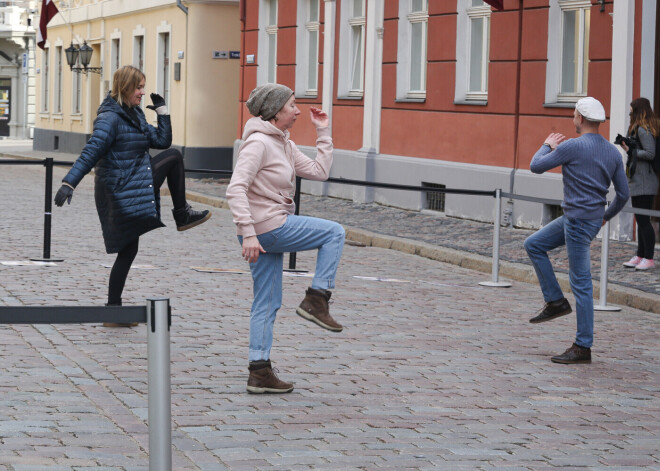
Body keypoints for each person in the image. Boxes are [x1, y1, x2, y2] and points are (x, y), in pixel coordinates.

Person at [54, 65, 211, 326]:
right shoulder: (110, 118)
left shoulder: (134, 114)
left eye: (143, 87)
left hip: (131, 183)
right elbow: (91, 151)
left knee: (129, 250)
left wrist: (163, 112)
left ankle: (113, 312)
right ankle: (181, 214)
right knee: (174, 157)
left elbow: (161, 141)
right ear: (125, 88)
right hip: (121, 188)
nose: (142, 92)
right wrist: (69, 182)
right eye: (138, 88)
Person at [227, 83, 345, 394]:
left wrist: (323, 132)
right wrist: (248, 234)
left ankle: (259, 370)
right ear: (277, 111)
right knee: (334, 232)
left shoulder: (283, 143)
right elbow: (235, 189)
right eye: (292, 105)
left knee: (266, 301)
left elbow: (319, 171)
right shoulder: (258, 144)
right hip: (267, 229)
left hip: (265, 230)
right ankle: (317, 299)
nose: (297, 111)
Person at [523, 97, 629, 364]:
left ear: (580, 118)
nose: (573, 119)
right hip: (586, 219)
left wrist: (547, 145)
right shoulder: (613, 153)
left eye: (574, 115)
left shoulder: (572, 146)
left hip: (577, 221)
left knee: (581, 282)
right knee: (534, 244)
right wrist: (606, 217)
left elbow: (536, 166)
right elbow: (624, 195)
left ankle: (583, 346)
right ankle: (556, 302)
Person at [617, 97, 658, 271]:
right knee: (640, 219)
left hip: (645, 182)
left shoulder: (643, 130)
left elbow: (650, 154)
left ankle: (648, 257)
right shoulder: (636, 129)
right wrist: (628, 148)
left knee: (643, 220)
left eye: (632, 109)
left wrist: (633, 151)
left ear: (638, 110)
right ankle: (640, 254)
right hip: (638, 180)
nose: (629, 112)